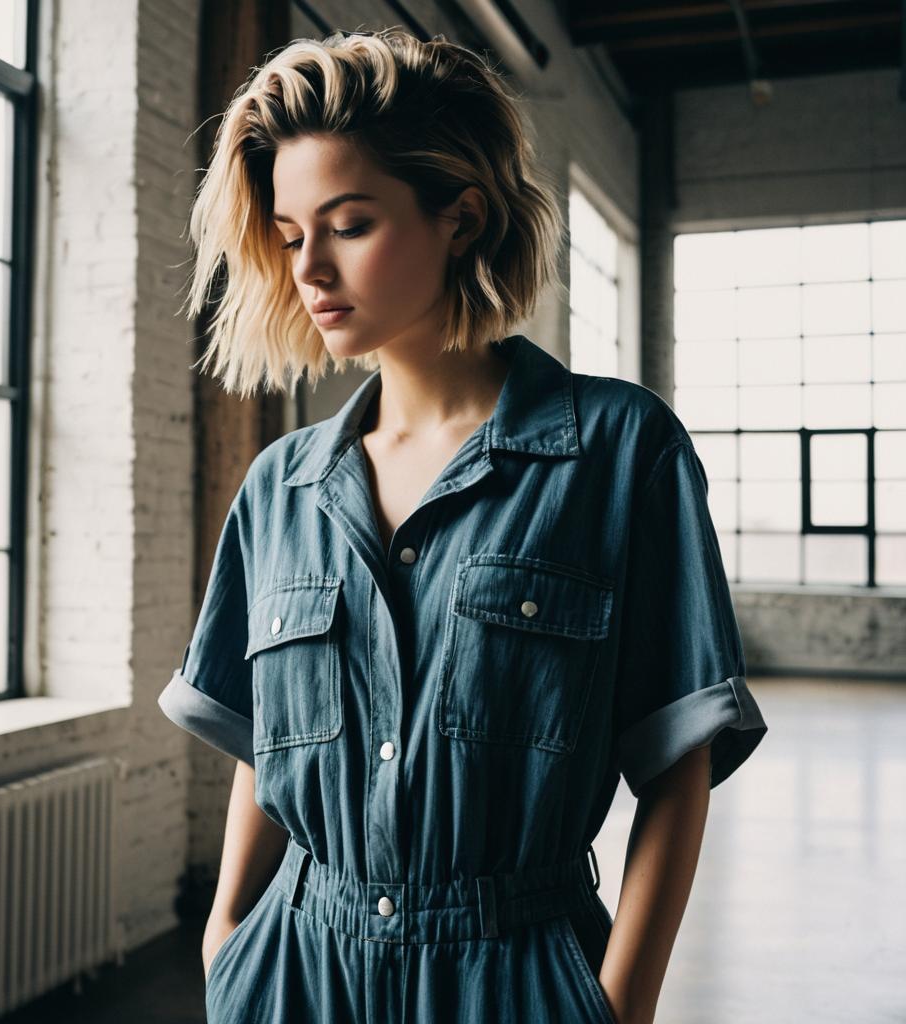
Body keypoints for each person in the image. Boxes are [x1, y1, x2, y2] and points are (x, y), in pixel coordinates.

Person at [157, 26, 768, 1024]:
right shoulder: (280, 488)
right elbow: (262, 750)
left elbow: (677, 761)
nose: (310, 267)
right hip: (296, 974)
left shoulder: (619, 453)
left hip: (518, 975)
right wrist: (228, 937)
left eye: (349, 224)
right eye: (287, 234)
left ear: (460, 215)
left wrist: (617, 1007)